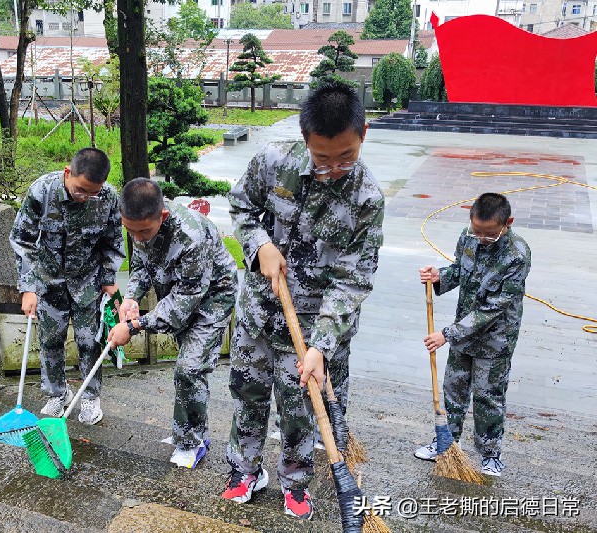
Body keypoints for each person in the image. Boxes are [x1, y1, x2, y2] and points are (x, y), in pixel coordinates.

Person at [222, 82, 384, 520]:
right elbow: (240, 206)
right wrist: (259, 244)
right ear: (304, 137)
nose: (333, 169)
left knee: (300, 412)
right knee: (247, 393)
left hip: (315, 327)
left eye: (345, 157)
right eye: (323, 158)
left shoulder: (367, 198)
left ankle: (296, 483)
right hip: (259, 312)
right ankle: (244, 470)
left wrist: (321, 347)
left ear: (363, 134)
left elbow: (353, 279)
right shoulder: (274, 161)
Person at [107, 178, 237, 469]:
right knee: (187, 369)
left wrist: (133, 326)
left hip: (213, 297)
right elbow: (141, 264)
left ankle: (194, 441)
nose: (137, 237)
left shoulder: (192, 236)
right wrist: (131, 296)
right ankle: (187, 430)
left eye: (144, 231)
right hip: (177, 293)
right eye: (131, 231)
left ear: (162, 216)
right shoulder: (139, 224)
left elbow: (181, 305)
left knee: (190, 369)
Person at [415, 192, 531, 477]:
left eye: (489, 234)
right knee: (453, 390)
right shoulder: (468, 236)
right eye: (476, 230)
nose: (481, 238)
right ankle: (446, 444)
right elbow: (459, 270)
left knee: (488, 395)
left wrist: (447, 334)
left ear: (507, 223)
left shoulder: (517, 255)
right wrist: (439, 276)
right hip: (463, 333)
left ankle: (490, 454)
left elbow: (493, 308)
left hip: (495, 338)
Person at [9, 148, 124, 425]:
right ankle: (57, 394)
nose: (85, 197)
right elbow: (23, 240)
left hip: (87, 281)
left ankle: (90, 396)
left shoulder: (107, 197)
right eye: (80, 190)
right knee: (50, 340)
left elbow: (113, 240)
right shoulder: (41, 192)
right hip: (48, 280)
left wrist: (109, 280)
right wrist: (28, 288)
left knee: (89, 341)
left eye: (91, 193)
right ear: (67, 173)